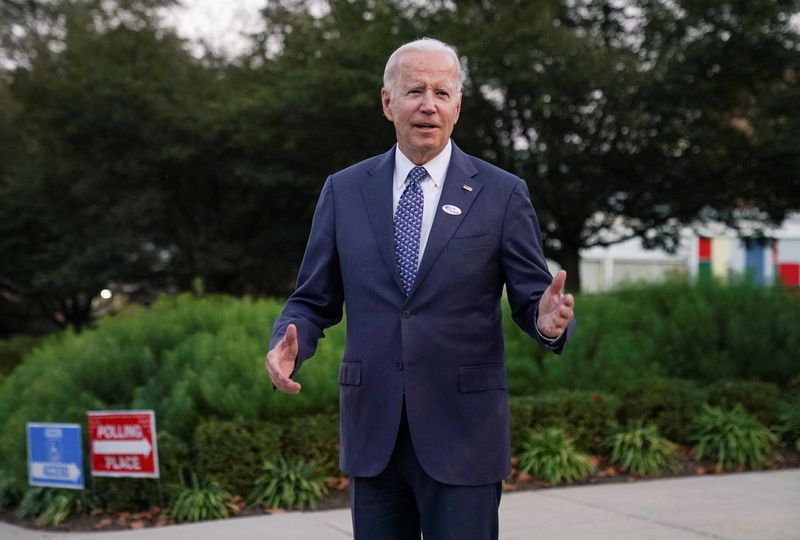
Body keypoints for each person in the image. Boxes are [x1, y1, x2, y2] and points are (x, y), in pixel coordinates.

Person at [265, 37, 576, 540]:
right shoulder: (344, 191)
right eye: (414, 91)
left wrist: (546, 322)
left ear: (458, 105)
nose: (428, 104)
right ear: (388, 103)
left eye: (441, 92)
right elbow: (313, 298)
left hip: (464, 432)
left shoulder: (501, 193)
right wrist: (287, 347)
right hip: (374, 434)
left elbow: (533, 297)